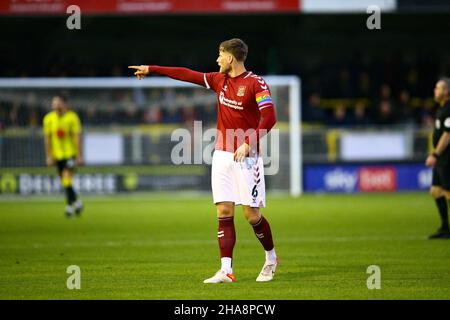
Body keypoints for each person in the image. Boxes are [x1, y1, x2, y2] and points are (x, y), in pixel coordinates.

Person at [129, 38, 278, 283]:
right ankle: (226, 270)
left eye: (220, 54)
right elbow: (188, 75)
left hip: (247, 156)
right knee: (223, 210)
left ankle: (271, 258)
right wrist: (153, 69)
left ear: (230, 58)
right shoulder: (220, 80)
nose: (217, 59)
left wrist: (248, 142)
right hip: (221, 155)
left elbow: (269, 118)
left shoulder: (255, 83)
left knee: (251, 215)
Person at [43, 95, 83, 218]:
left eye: (58, 103)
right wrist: (49, 156)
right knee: (65, 182)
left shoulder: (72, 117)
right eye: (54, 103)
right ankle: (76, 202)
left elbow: (77, 137)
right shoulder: (48, 119)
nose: (56, 105)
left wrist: (79, 155)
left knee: (66, 178)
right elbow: (48, 139)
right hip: (57, 155)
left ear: (64, 104)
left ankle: (69, 207)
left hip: (70, 153)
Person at [425, 78, 450, 239]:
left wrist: (435, 154)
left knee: (448, 192)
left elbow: (448, 135)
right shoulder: (441, 109)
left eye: (438, 88)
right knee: (436, 191)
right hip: (442, 159)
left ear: (446, 91)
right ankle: (445, 228)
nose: (435, 91)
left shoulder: (449, 110)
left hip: (447, 158)